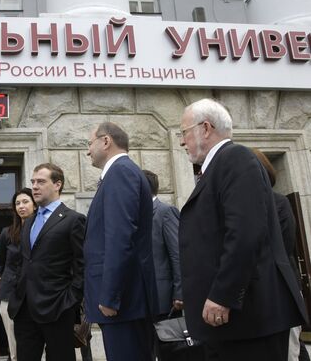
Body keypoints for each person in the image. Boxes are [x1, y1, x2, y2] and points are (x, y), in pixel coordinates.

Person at [178, 98, 308, 361]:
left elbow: (245, 233)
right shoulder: (216, 167)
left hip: (249, 320)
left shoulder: (235, 158)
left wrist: (223, 295)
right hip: (234, 326)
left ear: (205, 128)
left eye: (184, 132)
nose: (182, 141)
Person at [84, 122, 157, 361]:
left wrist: (110, 296)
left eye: (89, 143)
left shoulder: (121, 172)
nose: (87, 151)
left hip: (123, 304)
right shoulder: (121, 173)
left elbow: (119, 238)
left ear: (106, 141)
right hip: (124, 303)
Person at [8, 163, 85, 361]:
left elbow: (82, 265)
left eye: (41, 182)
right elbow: (24, 262)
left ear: (57, 184)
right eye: (33, 182)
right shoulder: (29, 222)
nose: (34, 186)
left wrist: (70, 299)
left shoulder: (73, 220)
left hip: (58, 308)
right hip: (24, 309)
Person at [251, 148, 311, 361]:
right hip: (259, 298)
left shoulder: (279, 203)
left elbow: (282, 248)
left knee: (289, 350)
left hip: (281, 291)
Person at [0, 188, 37, 361]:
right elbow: (2, 262)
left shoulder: (43, 230)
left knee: (35, 342)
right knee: (15, 345)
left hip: (36, 293)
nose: (21, 206)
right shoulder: (7, 233)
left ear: (35, 204)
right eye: (17, 203)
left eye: (25, 202)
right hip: (10, 294)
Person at [142, 170, 183, 318]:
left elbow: (177, 253)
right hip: (141, 301)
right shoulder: (135, 214)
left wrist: (180, 293)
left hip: (164, 301)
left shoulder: (165, 212)